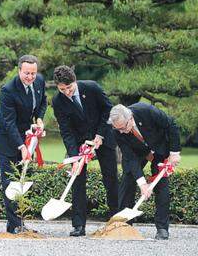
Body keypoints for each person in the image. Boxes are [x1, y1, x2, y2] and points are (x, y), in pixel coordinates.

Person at [51, 65, 119, 237]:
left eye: (69, 87)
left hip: (102, 138)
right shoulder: (57, 101)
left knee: (110, 179)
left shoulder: (92, 87)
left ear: (75, 81)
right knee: (77, 181)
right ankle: (78, 225)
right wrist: (74, 156)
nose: (66, 92)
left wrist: (100, 135)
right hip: (79, 143)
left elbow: (108, 110)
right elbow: (66, 131)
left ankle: (116, 221)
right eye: (62, 89)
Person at [0, 55, 47, 234]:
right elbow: (8, 123)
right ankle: (15, 225)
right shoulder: (8, 90)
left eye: (33, 73)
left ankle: (17, 222)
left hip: (25, 134)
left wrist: (39, 119)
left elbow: (43, 102)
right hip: (6, 139)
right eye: (26, 73)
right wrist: (21, 147)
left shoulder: (39, 82)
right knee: (10, 181)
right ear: (19, 70)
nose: (30, 77)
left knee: (22, 178)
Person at [108, 103, 181, 240]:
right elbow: (130, 157)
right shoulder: (117, 130)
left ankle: (162, 228)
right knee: (128, 177)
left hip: (159, 147)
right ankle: (124, 224)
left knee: (161, 184)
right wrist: (142, 184)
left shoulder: (146, 110)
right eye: (118, 129)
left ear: (130, 118)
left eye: (124, 127)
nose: (122, 131)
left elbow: (171, 125)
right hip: (136, 152)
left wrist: (174, 152)